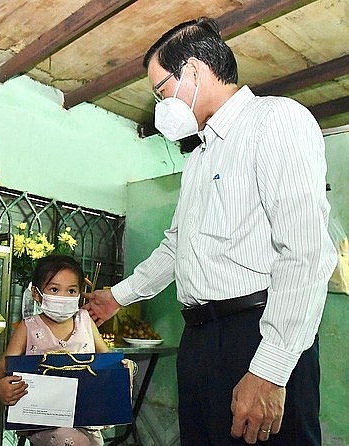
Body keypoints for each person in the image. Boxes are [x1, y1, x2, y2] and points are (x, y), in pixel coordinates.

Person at [83, 17, 336, 446]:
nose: (160, 104)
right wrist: (117, 297)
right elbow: (177, 247)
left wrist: (269, 370)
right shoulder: (200, 157)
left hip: (255, 333)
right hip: (199, 339)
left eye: (161, 90)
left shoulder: (275, 120)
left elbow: (306, 251)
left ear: (195, 71)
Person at [0, 255, 134, 446]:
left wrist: (123, 368)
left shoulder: (86, 321)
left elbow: (107, 361)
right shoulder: (29, 327)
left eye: (71, 290)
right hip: (44, 425)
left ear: (80, 293)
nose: (63, 297)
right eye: (54, 289)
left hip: (87, 420)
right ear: (36, 293)